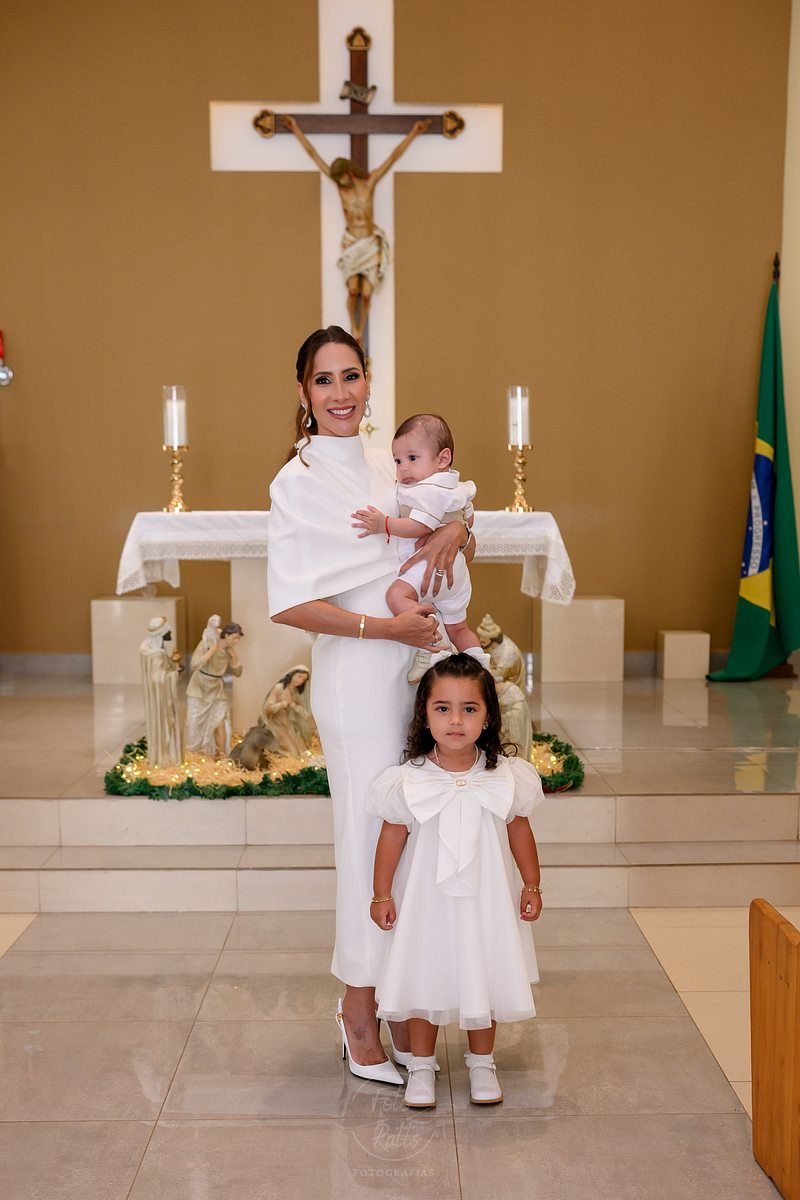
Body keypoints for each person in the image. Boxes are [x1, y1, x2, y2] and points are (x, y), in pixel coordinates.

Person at [268, 325, 475, 1083]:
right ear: (303, 392)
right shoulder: (296, 483)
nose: (340, 393)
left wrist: (459, 527)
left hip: (416, 672)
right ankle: (357, 1009)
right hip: (357, 674)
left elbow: (442, 528)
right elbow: (290, 603)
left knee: (412, 838)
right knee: (366, 840)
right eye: (324, 380)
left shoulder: (392, 462)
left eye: (350, 376)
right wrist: (385, 628)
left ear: (368, 381)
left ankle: (399, 996)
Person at [368, 653, 544, 1109]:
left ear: (488, 717)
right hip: (426, 902)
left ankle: (482, 1063)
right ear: (424, 714)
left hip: (486, 899)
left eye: (469, 709)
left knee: (483, 970)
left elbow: (519, 830)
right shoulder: (407, 780)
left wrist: (531, 885)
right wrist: (382, 893)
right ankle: (421, 1065)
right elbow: (392, 836)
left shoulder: (506, 776)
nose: (455, 721)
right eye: (442, 708)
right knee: (425, 972)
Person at [352, 413, 490, 682]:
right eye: (398, 461)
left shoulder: (427, 490)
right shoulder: (456, 487)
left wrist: (383, 524)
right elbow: (469, 520)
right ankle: (480, 665)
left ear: (442, 458)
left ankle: (433, 647)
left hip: (430, 566)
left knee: (396, 597)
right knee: (460, 628)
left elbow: (420, 527)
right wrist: (455, 526)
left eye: (412, 458)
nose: (403, 468)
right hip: (457, 572)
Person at [281, 116, 431, 345]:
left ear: (349, 172)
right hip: (352, 242)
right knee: (352, 291)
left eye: (342, 177)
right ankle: (355, 328)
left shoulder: (369, 182)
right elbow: (314, 155)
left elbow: (393, 157)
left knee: (367, 293)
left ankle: (360, 327)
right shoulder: (341, 188)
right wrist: (295, 129)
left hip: (369, 242)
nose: (340, 182)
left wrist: (414, 132)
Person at [184, 620, 243, 758]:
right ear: (226, 635)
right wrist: (211, 651)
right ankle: (195, 754)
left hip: (217, 689)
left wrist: (234, 657)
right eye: (234, 638)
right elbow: (194, 664)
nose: (236, 642)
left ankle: (221, 755)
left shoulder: (229, 651)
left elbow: (238, 673)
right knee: (194, 723)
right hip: (199, 688)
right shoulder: (207, 643)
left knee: (220, 722)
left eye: (238, 639)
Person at [139, 616, 182, 767]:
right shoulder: (157, 654)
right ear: (161, 633)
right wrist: (174, 674)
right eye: (168, 631)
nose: (170, 633)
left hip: (157, 698)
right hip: (161, 701)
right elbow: (158, 679)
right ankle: (165, 756)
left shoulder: (150, 649)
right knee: (164, 725)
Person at [261, 665, 317, 757]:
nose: (300, 681)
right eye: (299, 676)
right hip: (277, 724)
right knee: (292, 752)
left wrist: (293, 705)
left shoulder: (295, 692)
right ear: (292, 674)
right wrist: (283, 704)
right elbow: (268, 708)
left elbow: (305, 713)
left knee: (303, 751)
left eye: (303, 680)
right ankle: (273, 755)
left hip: (290, 725)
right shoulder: (279, 688)